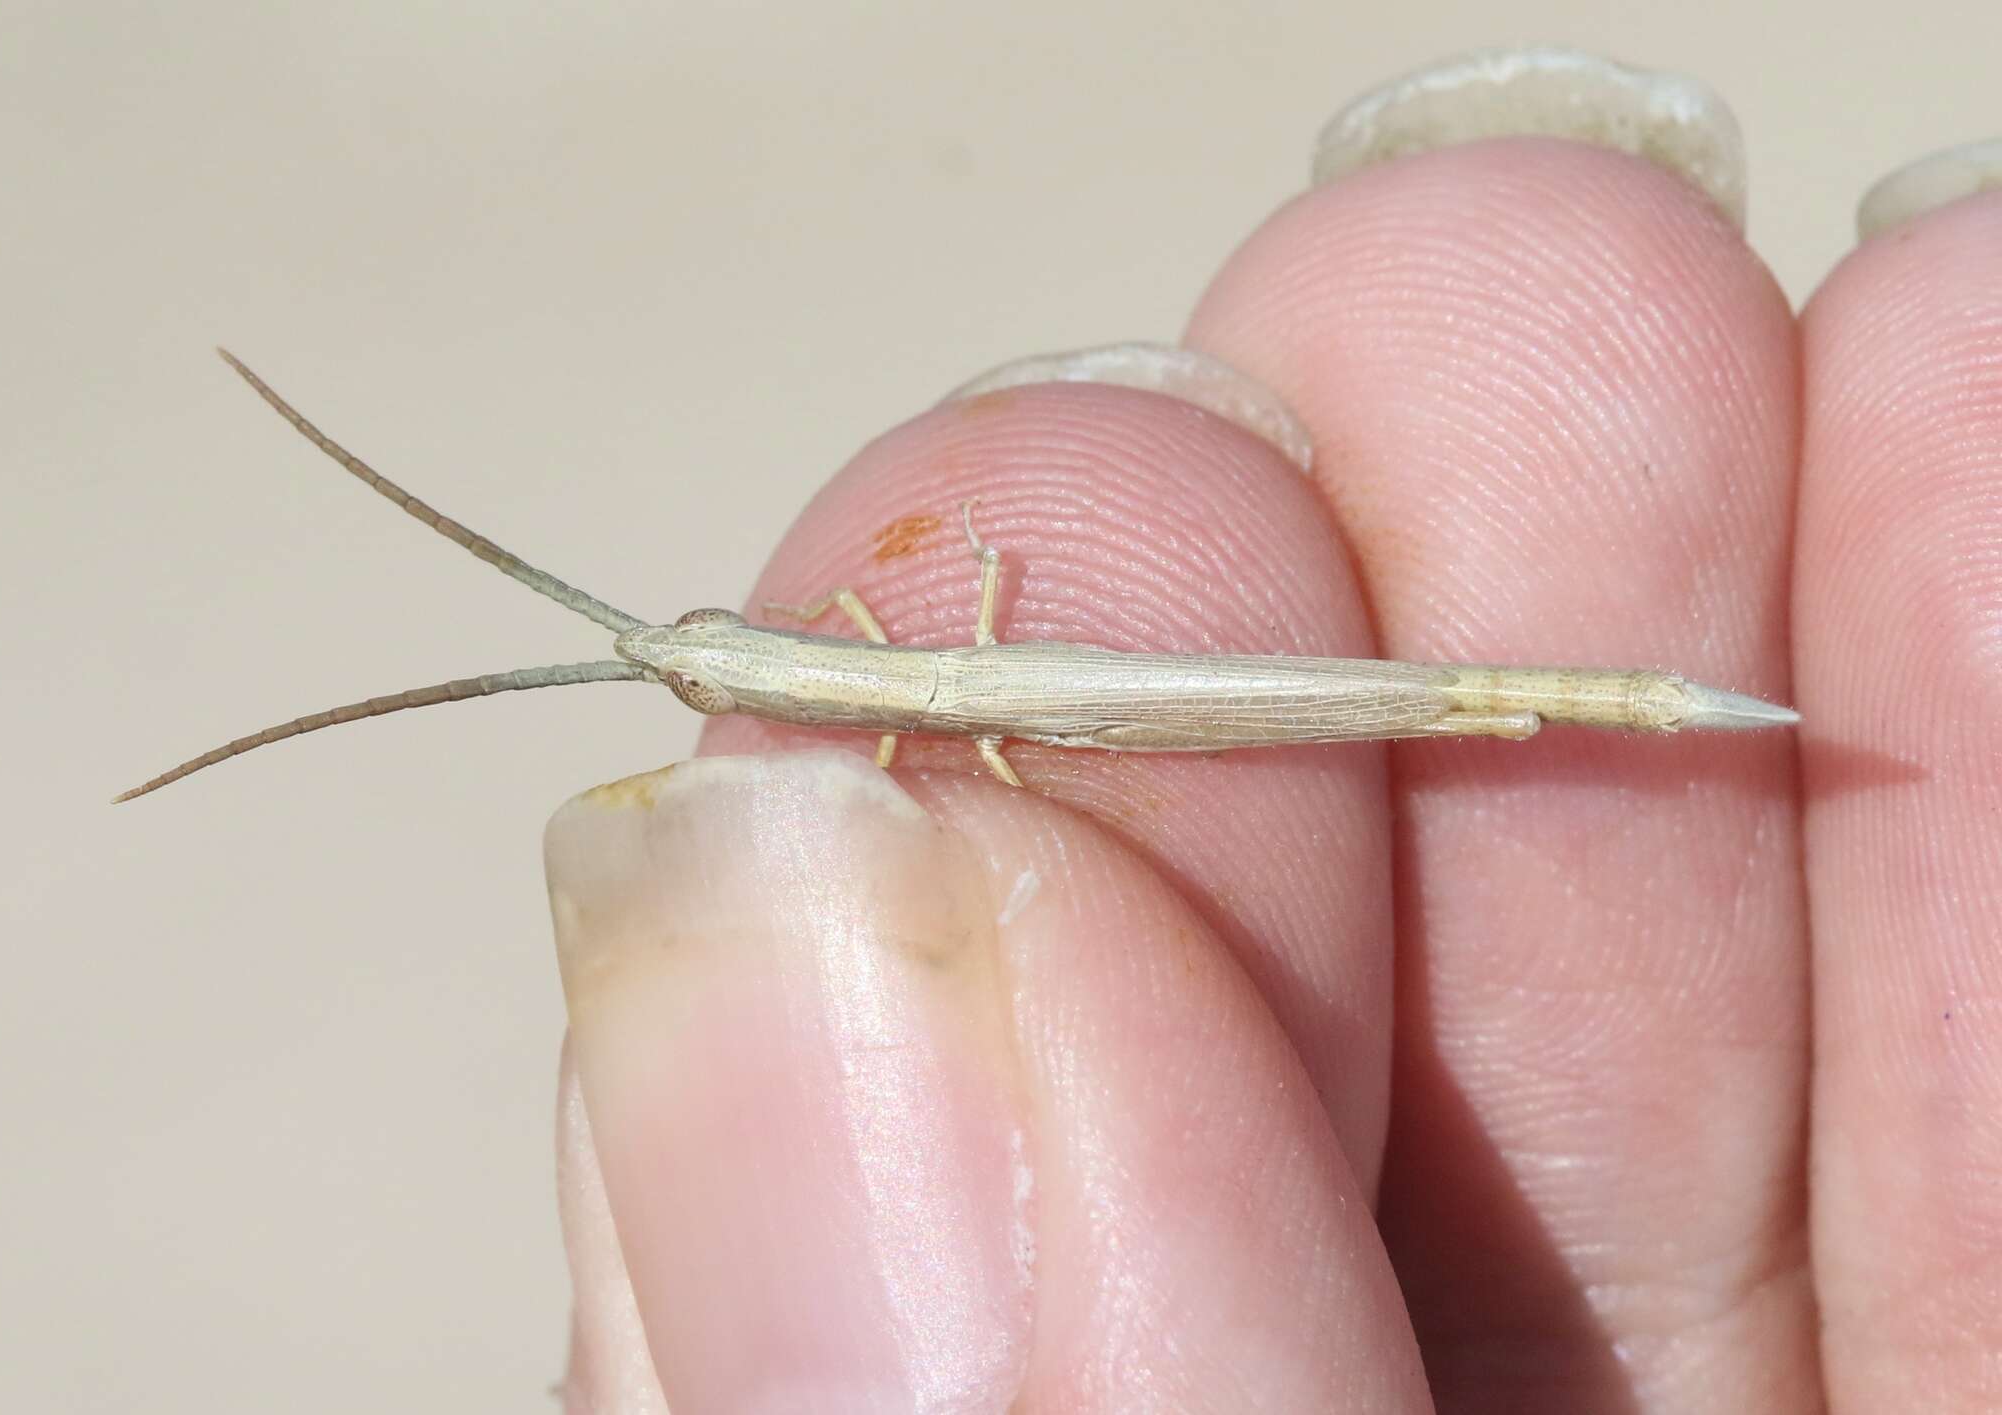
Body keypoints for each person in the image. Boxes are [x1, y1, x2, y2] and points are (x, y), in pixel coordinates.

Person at [542, 49, 2002, 1413]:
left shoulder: (906, 708)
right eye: (700, 674)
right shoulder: (900, 691)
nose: (706, 668)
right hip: (1066, 700)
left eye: (705, 664)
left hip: (1100, 696)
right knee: (1461, 699)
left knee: (1460, 691)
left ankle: (1634, 700)